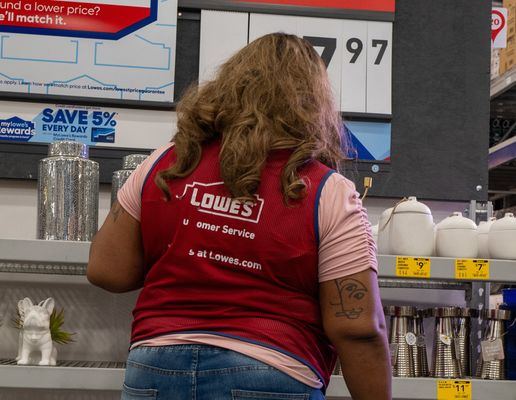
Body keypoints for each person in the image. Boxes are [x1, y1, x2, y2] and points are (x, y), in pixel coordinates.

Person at [88, 33, 391, 400]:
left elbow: (107, 269)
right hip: (272, 369)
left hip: (156, 366)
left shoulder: (165, 163)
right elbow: (358, 327)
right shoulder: (328, 191)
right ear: (315, 103)